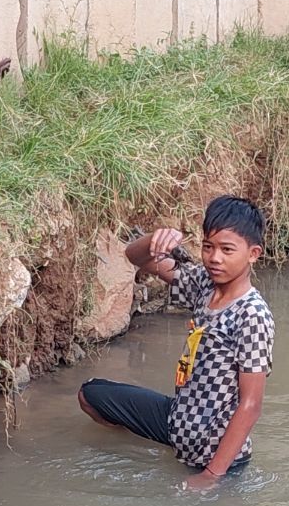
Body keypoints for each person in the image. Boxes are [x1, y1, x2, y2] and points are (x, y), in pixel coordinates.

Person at [78, 196, 275, 490]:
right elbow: (134, 257)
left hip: (212, 446)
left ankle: (212, 472)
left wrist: (211, 476)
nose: (215, 258)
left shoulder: (253, 316)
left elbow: (250, 405)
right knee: (90, 395)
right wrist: (154, 241)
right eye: (208, 247)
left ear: (253, 253)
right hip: (178, 419)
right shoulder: (204, 285)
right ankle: (140, 449)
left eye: (227, 250)